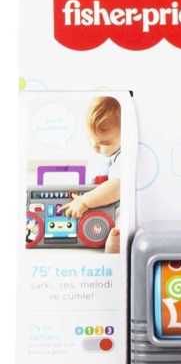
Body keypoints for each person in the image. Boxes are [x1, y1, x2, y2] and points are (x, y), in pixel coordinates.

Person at [59, 96, 121, 254]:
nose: (94, 147)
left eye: (104, 143)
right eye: (91, 139)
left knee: (122, 219)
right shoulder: (101, 155)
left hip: (115, 208)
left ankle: (117, 243)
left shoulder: (121, 156)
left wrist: (85, 201)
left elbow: (117, 186)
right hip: (99, 209)